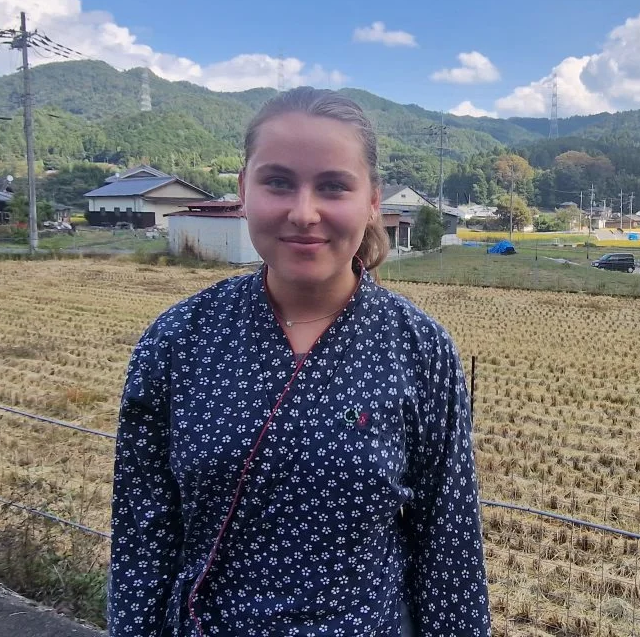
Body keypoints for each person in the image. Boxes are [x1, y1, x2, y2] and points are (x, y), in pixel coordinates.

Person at [107, 87, 490, 636]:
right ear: (243, 190)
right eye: (278, 182)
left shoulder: (419, 349)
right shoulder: (178, 341)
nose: (303, 212)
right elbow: (143, 540)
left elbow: (449, 547)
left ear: (373, 201)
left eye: (333, 186)